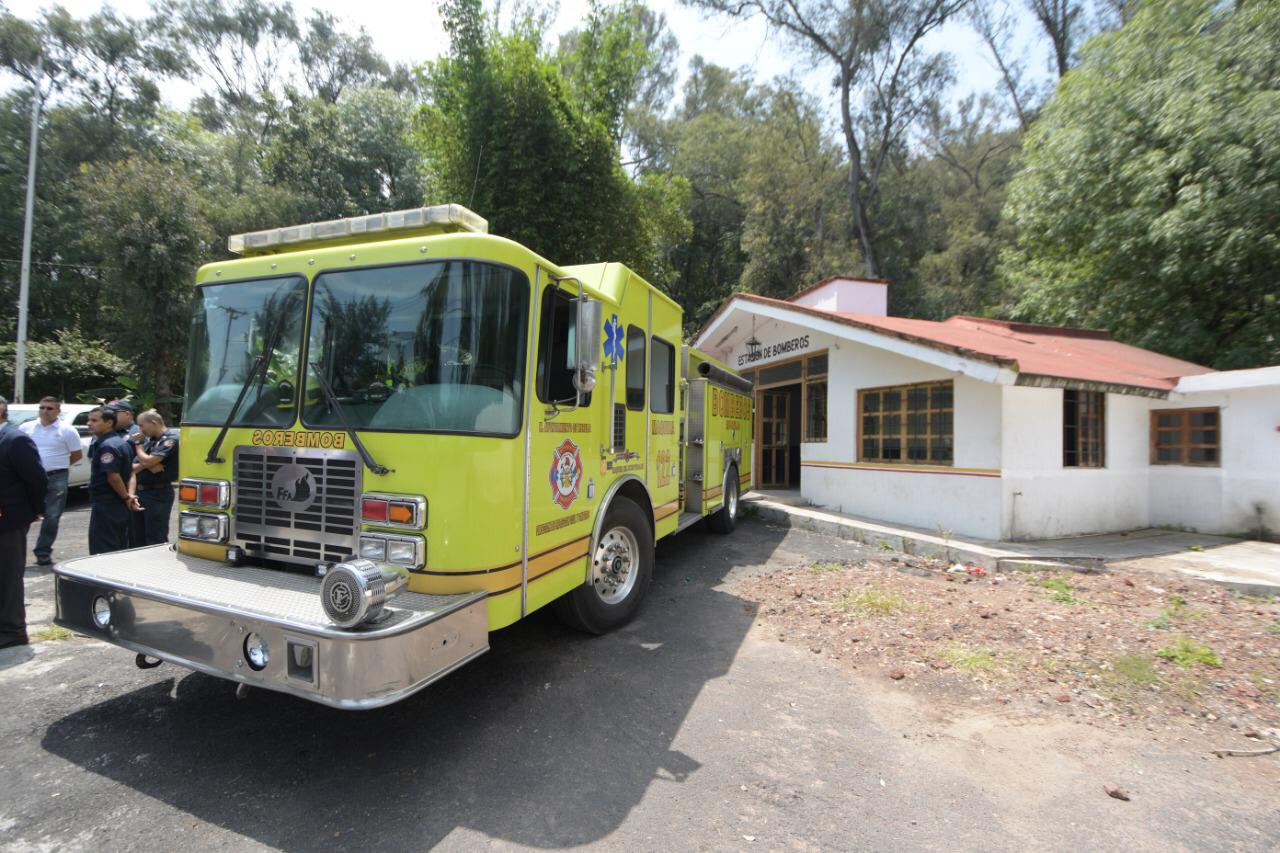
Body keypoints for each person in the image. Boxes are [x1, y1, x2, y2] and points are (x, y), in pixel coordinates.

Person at [0, 394, 48, 650]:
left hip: (8, 519)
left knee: (7, 575)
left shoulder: (14, 439)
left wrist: (36, 510)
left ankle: (13, 630)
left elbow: (36, 479)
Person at [19, 396, 83, 566]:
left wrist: (58, 465)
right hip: (30, 477)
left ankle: (43, 551)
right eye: (42, 408)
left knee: (52, 516)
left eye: (49, 408)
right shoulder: (26, 428)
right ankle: (15, 551)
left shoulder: (67, 430)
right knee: (22, 513)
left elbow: (76, 455)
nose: (45, 411)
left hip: (56, 477)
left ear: (58, 411)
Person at [86, 406, 141, 555]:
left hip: (108, 503)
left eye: (94, 420)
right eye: (89, 420)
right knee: (118, 545)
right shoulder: (121, 442)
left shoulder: (108, 446)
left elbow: (113, 476)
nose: (89, 423)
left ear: (109, 423)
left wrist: (125, 496)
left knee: (104, 548)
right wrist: (129, 496)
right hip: (117, 504)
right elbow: (130, 473)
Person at [130, 410, 179, 545]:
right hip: (141, 493)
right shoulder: (151, 441)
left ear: (154, 423)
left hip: (158, 494)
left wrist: (139, 446)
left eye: (142, 426)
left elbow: (147, 461)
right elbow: (132, 467)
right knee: (138, 537)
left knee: (155, 537)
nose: (140, 430)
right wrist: (149, 464)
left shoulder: (170, 440)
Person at [108, 401, 143, 546]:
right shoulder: (106, 431)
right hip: (109, 489)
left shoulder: (138, 432)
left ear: (127, 414)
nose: (110, 416)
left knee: (132, 534)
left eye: (114, 413)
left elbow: (148, 461)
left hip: (133, 488)